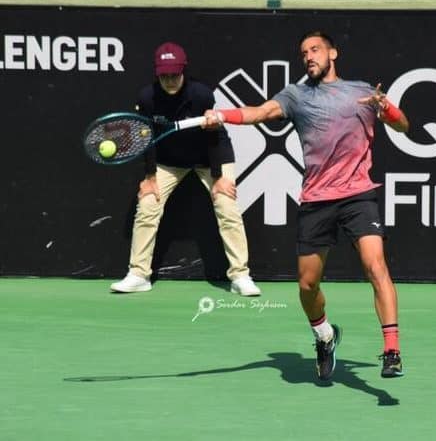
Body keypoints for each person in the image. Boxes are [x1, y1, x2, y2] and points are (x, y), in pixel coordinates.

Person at [203, 31, 409, 379]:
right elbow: (261, 112)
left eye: (315, 50)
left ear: (333, 53)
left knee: (376, 267)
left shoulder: (361, 92)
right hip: (317, 200)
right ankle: (324, 336)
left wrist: (385, 107)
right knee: (307, 285)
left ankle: (392, 351)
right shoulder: (296, 96)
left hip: (359, 195)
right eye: (303, 53)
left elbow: (403, 126)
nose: (308, 57)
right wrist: (222, 115)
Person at [110, 42, 261, 297]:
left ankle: (240, 276)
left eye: (174, 74)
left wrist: (218, 177)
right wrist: (149, 178)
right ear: (157, 74)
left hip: (209, 156)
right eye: (164, 75)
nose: (170, 80)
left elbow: (212, 138)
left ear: (184, 71)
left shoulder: (202, 95)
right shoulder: (147, 97)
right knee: (147, 204)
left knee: (226, 205)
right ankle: (138, 274)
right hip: (168, 161)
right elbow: (146, 139)